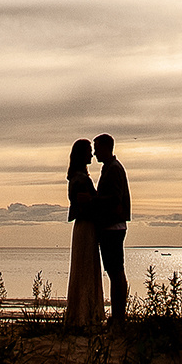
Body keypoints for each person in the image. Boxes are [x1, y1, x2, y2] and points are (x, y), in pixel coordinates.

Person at [62, 137, 103, 330]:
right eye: (88, 151)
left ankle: (83, 313)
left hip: (84, 226)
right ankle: (84, 315)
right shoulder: (80, 179)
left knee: (85, 268)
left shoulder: (77, 177)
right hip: (86, 226)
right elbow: (85, 205)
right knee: (86, 268)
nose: (92, 154)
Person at [93, 132, 131, 322]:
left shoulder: (114, 169)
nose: (94, 153)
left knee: (116, 272)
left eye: (97, 148)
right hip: (111, 226)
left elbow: (115, 198)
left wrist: (93, 200)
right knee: (114, 271)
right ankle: (118, 315)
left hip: (112, 227)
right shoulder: (110, 168)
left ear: (106, 148)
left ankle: (118, 316)